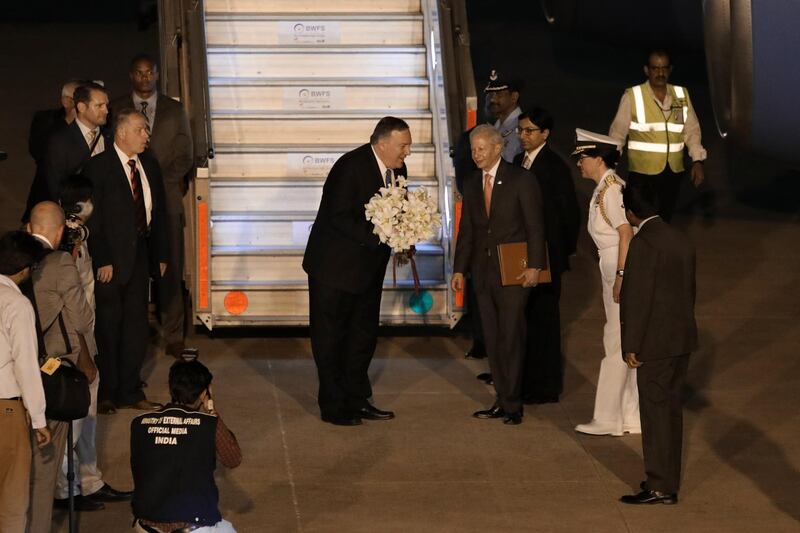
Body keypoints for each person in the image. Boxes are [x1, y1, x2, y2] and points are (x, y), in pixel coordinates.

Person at [302, 116, 410, 426]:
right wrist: (381, 236)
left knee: (363, 336)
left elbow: (399, 210)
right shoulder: (350, 167)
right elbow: (337, 216)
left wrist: (404, 239)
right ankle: (334, 405)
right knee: (331, 337)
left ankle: (358, 398)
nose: (408, 152)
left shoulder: (398, 169)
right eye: (403, 145)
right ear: (382, 143)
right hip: (334, 268)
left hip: (369, 268)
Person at [452, 124, 546, 425]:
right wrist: (459, 268)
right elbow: (467, 230)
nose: (475, 154)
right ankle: (502, 399)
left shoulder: (522, 180)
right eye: (473, 149)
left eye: (481, 149)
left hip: (514, 273)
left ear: (497, 148)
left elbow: (535, 226)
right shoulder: (470, 182)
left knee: (511, 337)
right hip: (482, 273)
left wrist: (535, 265)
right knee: (493, 339)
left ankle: (513, 404)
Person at [84, 108, 169, 414]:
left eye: (146, 130)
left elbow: (158, 213)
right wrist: (103, 258)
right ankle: (107, 391)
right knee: (108, 326)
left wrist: (160, 254)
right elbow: (93, 219)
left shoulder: (149, 165)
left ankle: (130, 391)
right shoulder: (99, 167)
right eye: (140, 130)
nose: (146, 135)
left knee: (135, 327)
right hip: (111, 262)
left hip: (141, 258)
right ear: (121, 133)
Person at [619, 180, 697, 505]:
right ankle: (667, 479)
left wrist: (631, 344)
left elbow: (637, 300)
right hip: (681, 338)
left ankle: (659, 486)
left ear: (631, 212)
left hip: (654, 343)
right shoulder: (679, 238)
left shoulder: (644, 244)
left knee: (655, 414)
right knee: (672, 413)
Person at [112, 53, 194, 358]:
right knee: (130, 266)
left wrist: (160, 181)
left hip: (167, 201)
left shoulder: (174, 109)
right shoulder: (118, 107)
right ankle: (132, 330)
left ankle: (173, 333)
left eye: (150, 73)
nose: (145, 78)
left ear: (157, 75)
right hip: (129, 199)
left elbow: (186, 153)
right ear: (131, 75)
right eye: (139, 73)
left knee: (169, 266)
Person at [572, 129, 640, 437]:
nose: (579, 163)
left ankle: (608, 417)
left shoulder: (611, 190)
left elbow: (626, 233)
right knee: (623, 339)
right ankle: (629, 416)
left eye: (583, 157)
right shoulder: (606, 187)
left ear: (599, 159)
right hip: (612, 261)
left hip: (617, 262)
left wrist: (622, 277)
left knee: (616, 341)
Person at [513, 108, 580, 403]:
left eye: (530, 131)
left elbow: (568, 217)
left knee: (544, 322)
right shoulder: (518, 162)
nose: (523, 136)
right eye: (521, 130)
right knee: (524, 320)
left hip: (547, 257)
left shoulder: (554, 168)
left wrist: (557, 255)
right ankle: (524, 378)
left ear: (545, 134)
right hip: (522, 255)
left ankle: (544, 386)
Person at [131, 359, 241, 532]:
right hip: (192, 525)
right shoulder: (208, 424)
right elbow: (233, 459)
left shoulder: (139, 423)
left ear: (171, 388)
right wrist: (212, 413)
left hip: (146, 523)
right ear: (206, 393)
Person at [609, 49, 707, 222]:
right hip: (642, 174)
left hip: (672, 173)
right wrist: (610, 165)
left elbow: (691, 130)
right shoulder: (633, 96)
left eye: (664, 68)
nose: (660, 73)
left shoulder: (680, 95)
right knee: (640, 220)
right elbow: (617, 134)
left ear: (670, 70)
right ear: (647, 70)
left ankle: (659, 249)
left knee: (664, 220)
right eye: (655, 68)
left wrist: (697, 160)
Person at [0, 231, 50, 533]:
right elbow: (26, 365)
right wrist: (39, 418)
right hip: (5, 409)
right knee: (12, 500)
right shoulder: (16, 305)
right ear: (24, 269)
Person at [23, 79, 83, 222]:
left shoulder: (95, 125)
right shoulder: (46, 119)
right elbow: (38, 151)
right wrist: (68, 122)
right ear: (66, 101)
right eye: (80, 99)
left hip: (80, 199)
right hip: (47, 196)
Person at [44, 82, 110, 202]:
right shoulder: (60, 140)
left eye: (106, 105)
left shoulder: (111, 137)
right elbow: (55, 185)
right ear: (81, 107)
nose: (106, 110)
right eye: (99, 105)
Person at [484, 70, 524, 163]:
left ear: (514, 97)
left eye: (498, 94)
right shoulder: (494, 127)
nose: (492, 99)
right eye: (490, 94)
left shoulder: (522, 128)